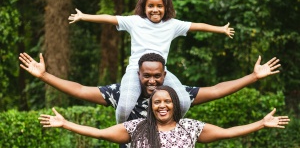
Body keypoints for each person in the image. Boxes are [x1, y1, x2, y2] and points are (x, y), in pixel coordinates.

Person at [68, 0, 235, 123]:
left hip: (161, 72)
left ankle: (169, 128)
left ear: (166, 8)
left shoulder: (172, 25)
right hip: (136, 71)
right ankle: (121, 130)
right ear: (144, 7)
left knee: (183, 102)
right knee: (125, 105)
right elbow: (109, 18)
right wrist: (84, 16)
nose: (155, 10)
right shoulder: (135, 21)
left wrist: (220, 29)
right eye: (151, 6)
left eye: (160, 6)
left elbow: (197, 26)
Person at [19, 52, 280, 121]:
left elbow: (216, 89)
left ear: (164, 74)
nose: (152, 80)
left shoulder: (175, 95)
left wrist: (253, 77)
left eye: (157, 75)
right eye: (147, 76)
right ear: (138, 74)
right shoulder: (122, 94)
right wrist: (44, 76)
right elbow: (79, 89)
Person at [39, 85, 289, 147]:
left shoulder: (191, 128)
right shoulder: (135, 128)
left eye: (167, 101)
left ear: (174, 105)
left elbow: (227, 132)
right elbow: (99, 133)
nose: (162, 106)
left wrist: (261, 124)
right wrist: (66, 124)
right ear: (151, 106)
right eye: (157, 102)